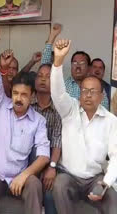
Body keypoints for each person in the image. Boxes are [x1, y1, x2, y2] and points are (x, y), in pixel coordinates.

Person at [0, 15, 50, 214]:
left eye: (24, 95)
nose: (18, 98)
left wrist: (25, 175)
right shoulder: (1, 105)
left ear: (32, 96)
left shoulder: (38, 121)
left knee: (34, 184)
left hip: (20, 176)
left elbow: (44, 156)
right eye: (16, 93)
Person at [51, 39, 117, 214]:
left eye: (92, 91)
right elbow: (57, 93)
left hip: (95, 178)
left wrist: (106, 182)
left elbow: (116, 155)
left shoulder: (111, 121)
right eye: (84, 91)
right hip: (69, 176)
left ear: (102, 95)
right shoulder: (69, 109)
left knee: (112, 197)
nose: (87, 95)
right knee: (59, 185)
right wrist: (58, 61)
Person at [31, 64, 62, 214]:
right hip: (27, 158)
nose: (43, 79)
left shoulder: (58, 109)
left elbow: (57, 140)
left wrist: (52, 167)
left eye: (48, 76)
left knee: (50, 194)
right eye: (40, 75)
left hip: (50, 159)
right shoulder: (26, 103)